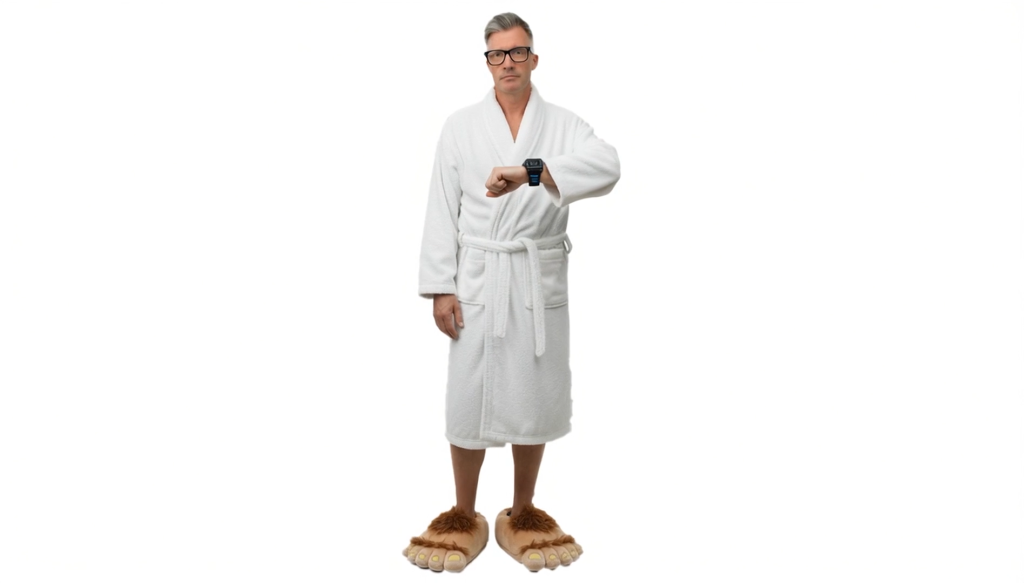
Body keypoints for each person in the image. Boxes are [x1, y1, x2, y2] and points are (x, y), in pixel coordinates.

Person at [404, 12, 620, 573]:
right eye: (497, 54)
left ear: (534, 58)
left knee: (534, 391)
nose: (508, 63)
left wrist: (531, 171)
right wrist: (440, 287)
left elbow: (608, 166)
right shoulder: (459, 125)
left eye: (518, 52)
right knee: (467, 394)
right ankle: (463, 512)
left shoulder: (565, 124)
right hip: (478, 275)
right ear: (487, 62)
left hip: (533, 276)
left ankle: (522, 511)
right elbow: (440, 207)